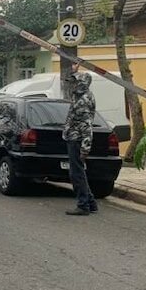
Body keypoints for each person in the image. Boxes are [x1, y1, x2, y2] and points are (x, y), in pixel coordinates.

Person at [63, 65, 97, 216]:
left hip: (77, 139)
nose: (73, 84)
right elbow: (67, 82)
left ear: (82, 84)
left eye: (76, 82)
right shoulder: (79, 95)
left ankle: (83, 205)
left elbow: (87, 125)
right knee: (79, 172)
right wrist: (73, 71)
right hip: (73, 137)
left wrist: (85, 147)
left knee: (76, 174)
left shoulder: (83, 100)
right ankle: (90, 202)